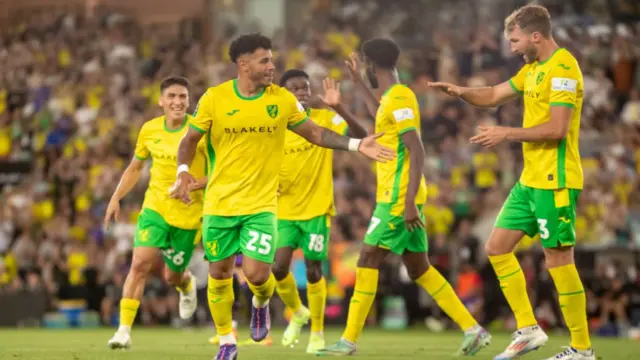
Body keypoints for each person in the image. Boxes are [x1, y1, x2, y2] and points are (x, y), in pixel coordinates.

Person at [171, 33, 395, 360]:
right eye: (265, 60)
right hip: (219, 204)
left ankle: (261, 302)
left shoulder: (282, 101)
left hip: (261, 206)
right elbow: (189, 141)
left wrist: (356, 144)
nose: (272, 66)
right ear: (243, 64)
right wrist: (181, 172)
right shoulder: (214, 99)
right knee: (218, 272)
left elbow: (315, 133)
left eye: (271, 59)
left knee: (258, 274)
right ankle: (226, 342)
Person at [428, 4, 594, 360]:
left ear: (536, 36)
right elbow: (492, 94)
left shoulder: (563, 67)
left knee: (559, 259)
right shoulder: (531, 70)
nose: (512, 47)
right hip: (530, 178)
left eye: (515, 40)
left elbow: (558, 129)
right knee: (497, 248)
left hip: (556, 179)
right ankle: (529, 330)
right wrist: (459, 91)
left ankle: (582, 349)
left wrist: (507, 133)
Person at [317, 38, 491, 357]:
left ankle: (348, 341)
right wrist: (354, 87)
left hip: (398, 197)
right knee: (418, 268)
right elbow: (380, 121)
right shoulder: (394, 98)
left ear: (371, 64)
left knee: (368, 258)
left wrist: (409, 202)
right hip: (397, 193)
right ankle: (473, 329)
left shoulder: (400, 98)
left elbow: (416, 148)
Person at [104, 76, 207, 349]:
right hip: (156, 208)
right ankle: (123, 331)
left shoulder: (201, 131)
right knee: (139, 263)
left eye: (183, 97)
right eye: (171, 96)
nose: (177, 102)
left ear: (189, 101)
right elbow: (135, 168)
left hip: (188, 214)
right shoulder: (149, 130)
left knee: (171, 276)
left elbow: (220, 170)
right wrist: (116, 198)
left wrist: (197, 184)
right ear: (160, 100)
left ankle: (185, 284)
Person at [272, 69, 367, 353]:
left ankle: (317, 331)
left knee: (314, 271)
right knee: (277, 268)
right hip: (284, 210)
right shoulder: (274, 126)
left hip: (316, 210)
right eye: (295, 89)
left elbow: (360, 137)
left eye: (305, 88)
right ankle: (297, 312)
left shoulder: (323, 119)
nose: (302, 93)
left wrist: (339, 107)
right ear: (283, 93)